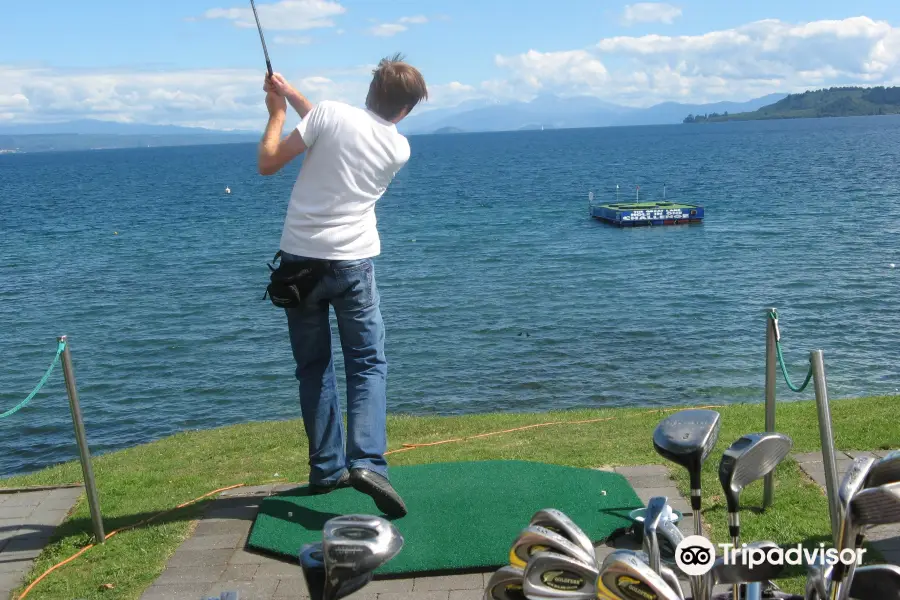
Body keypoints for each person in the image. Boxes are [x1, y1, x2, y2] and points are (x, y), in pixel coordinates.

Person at [257, 55, 428, 518]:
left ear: (370, 90)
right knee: (368, 364)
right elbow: (332, 126)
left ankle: (327, 469)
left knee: (313, 367)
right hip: (353, 265)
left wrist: (276, 113)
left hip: (299, 266)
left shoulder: (331, 113)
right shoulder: (398, 148)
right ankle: (368, 462)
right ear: (405, 110)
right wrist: (290, 94)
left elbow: (269, 162)